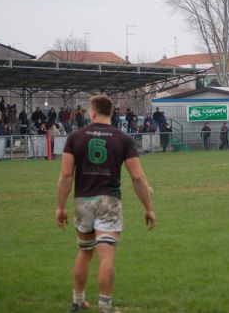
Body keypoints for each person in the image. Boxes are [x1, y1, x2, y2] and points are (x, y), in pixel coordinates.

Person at [55, 95, 156, 313]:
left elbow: (65, 176)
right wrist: (148, 208)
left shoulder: (75, 137)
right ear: (111, 112)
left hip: (83, 200)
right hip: (109, 200)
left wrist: (60, 207)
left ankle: (78, 300)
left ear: (92, 112)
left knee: (84, 251)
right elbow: (138, 178)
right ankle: (105, 307)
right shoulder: (123, 139)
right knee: (106, 255)